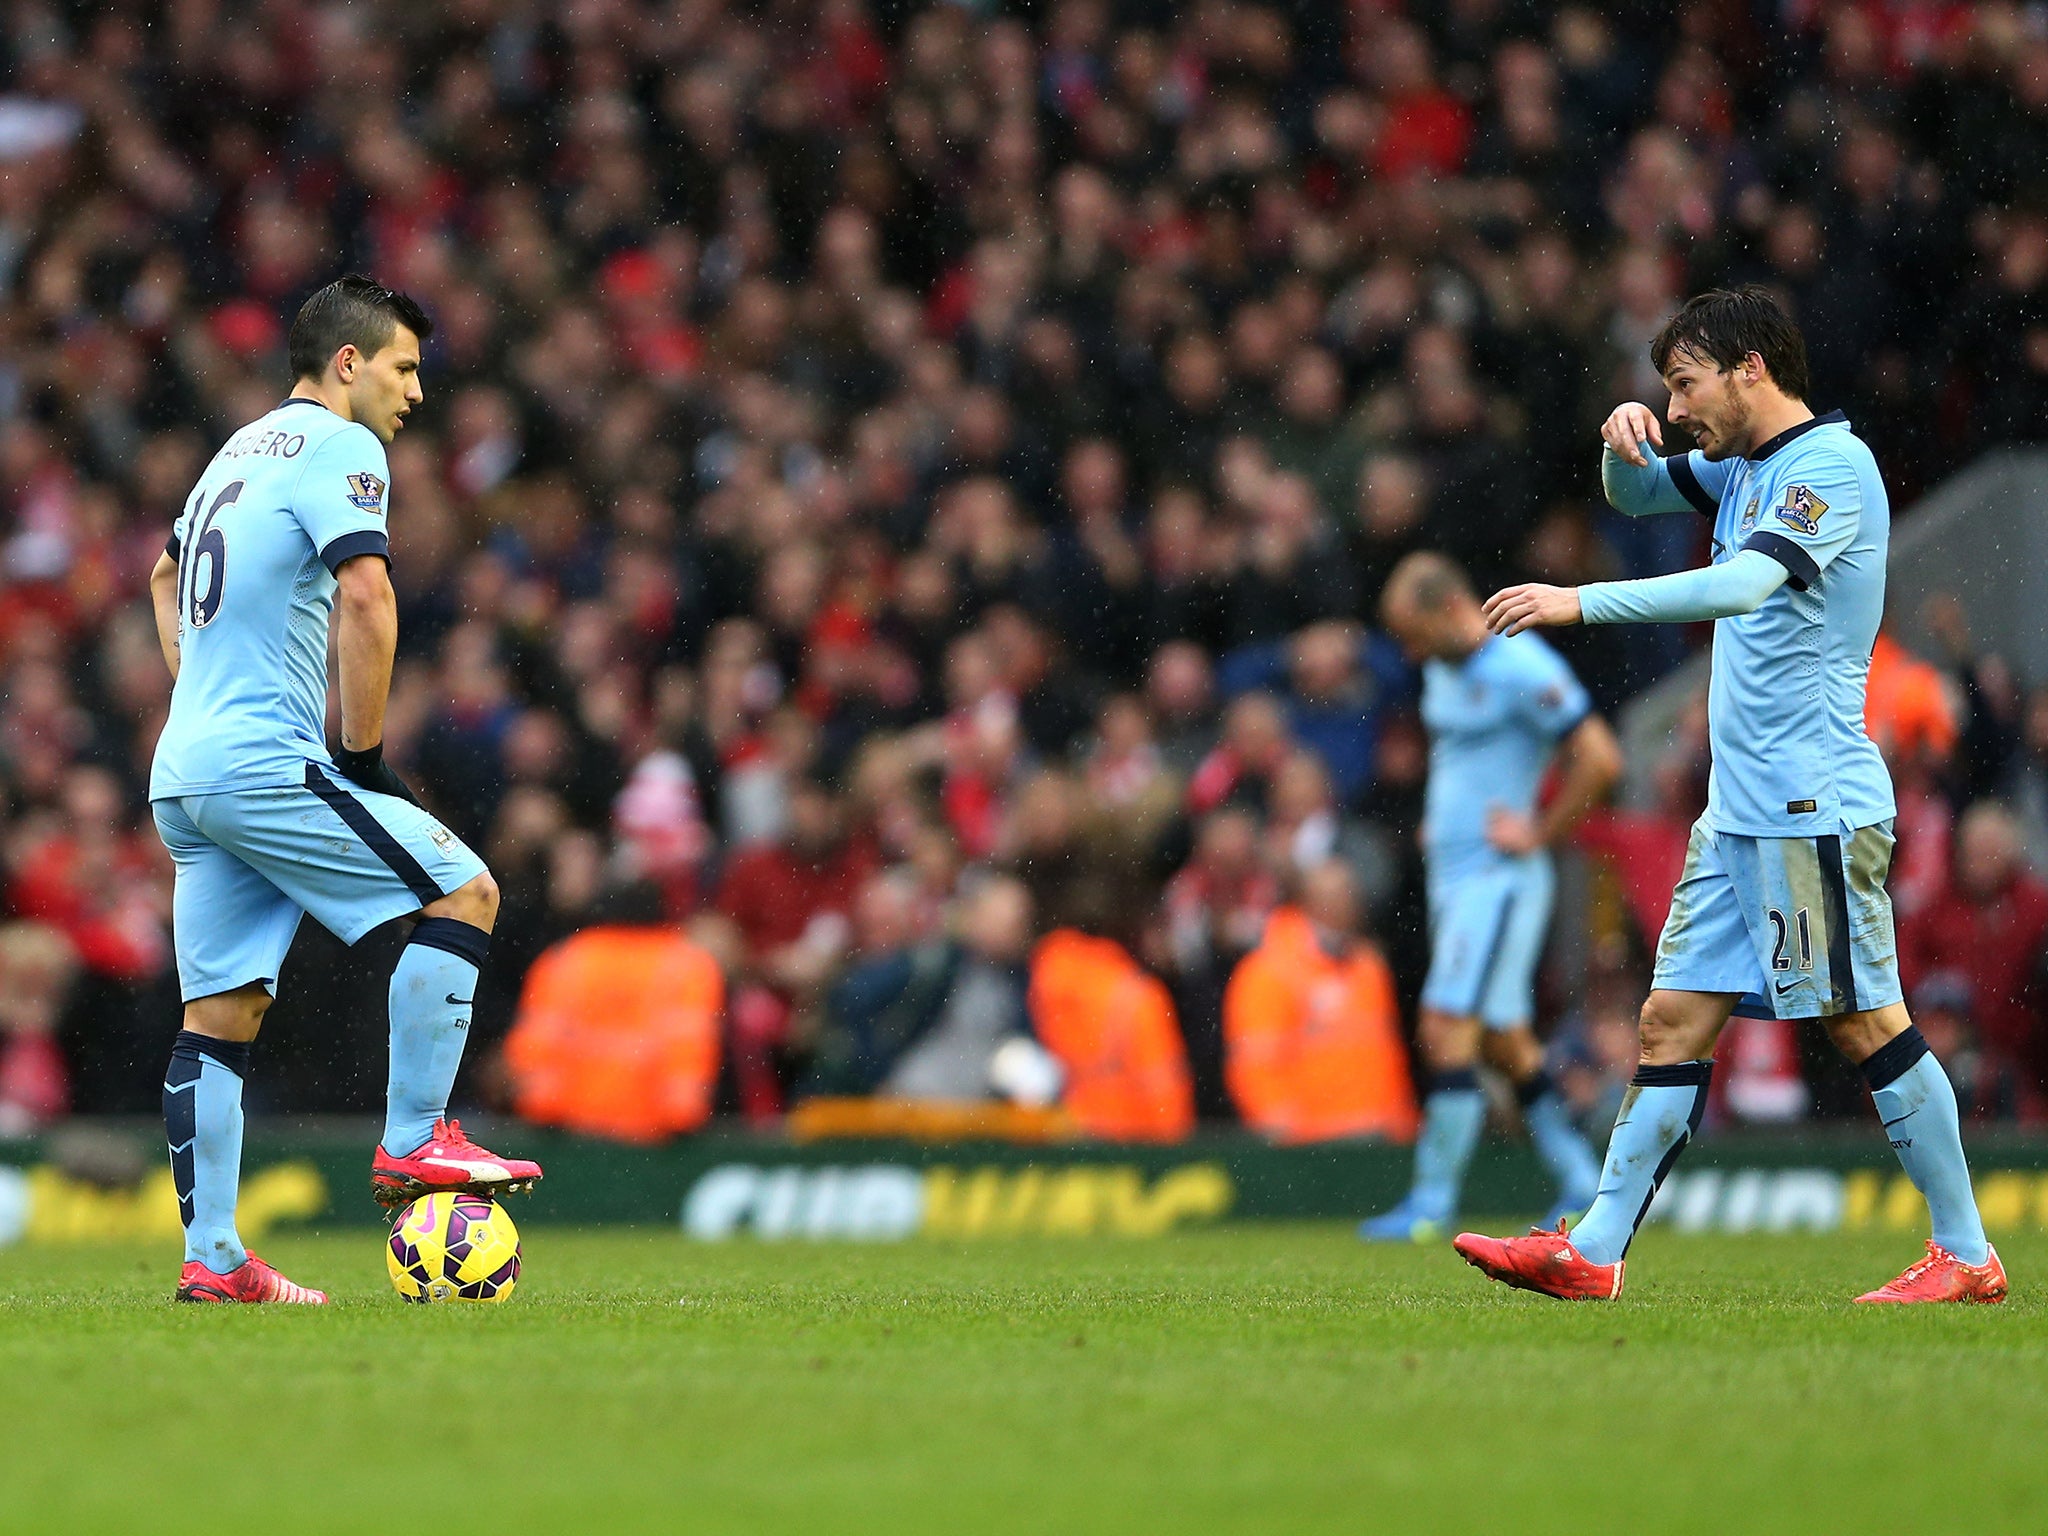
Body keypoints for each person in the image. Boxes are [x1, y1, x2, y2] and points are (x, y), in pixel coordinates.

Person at [1461, 286, 2002, 1303]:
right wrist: (1620, 449)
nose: (1674, 412)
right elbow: (1634, 496)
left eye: (1682, 385)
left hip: (1811, 804)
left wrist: (1576, 603)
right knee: (1669, 1020)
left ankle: (1966, 1250)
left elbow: (1741, 587)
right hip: (1737, 811)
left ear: (1749, 367)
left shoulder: (1827, 469)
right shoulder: (1739, 466)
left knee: (1857, 1020)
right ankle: (1592, 1250)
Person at [147, 276, 540, 1305]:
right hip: (263, 760)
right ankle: (415, 1141)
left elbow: (161, 575)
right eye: (406, 367)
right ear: (349, 362)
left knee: (219, 1015)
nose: (417, 391)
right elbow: (367, 592)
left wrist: (199, 700)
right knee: (466, 891)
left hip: (185, 771)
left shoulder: (233, 452)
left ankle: (216, 1259)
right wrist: (361, 754)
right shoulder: (342, 445)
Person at [1360, 552, 1618, 1241]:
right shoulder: (1445, 667)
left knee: (1445, 1029)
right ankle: (1579, 1178)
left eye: (1414, 635)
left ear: (1450, 609)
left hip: (1495, 883)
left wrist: (1540, 831)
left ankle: (1431, 1204)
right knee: (1504, 1042)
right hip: (1455, 878)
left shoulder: (1522, 667)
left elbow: (1600, 756)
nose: (1409, 653)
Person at [1224, 861, 1417, 1144]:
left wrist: (1403, 1124)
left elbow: (1387, 1053)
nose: (1344, 904)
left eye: (1348, 894)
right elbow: (1255, 1065)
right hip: (1313, 1144)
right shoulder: (1268, 970)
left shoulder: (1368, 966)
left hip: (1380, 1138)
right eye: (1333, 895)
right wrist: (1284, 1133)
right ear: (1307, 901)